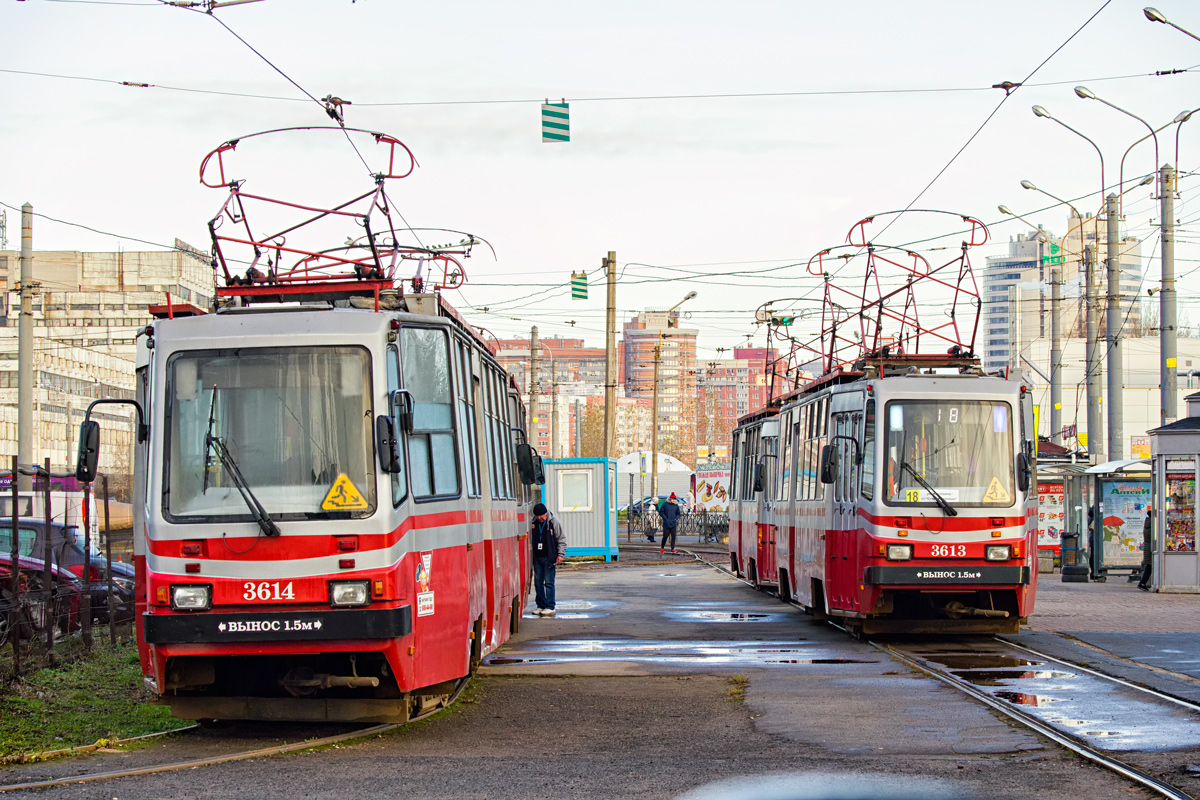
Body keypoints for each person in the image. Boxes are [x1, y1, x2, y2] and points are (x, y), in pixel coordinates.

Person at [530, 502, 566, 616]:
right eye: (537, 516)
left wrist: (560, 554)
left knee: (549, 582)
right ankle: (541, 605)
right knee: (538, 582)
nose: (539, 518)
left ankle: (550, 606)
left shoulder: (554, 522)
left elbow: (561, 539)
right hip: (537, 557)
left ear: (546, 513)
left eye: (541, 516)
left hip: (549, 557)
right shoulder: (533, 522)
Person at [1138, 505, 1153, 591]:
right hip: (1150, 547)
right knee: (1149, 566)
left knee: (1149, 566)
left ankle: (1143, 582)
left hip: (1148, 546)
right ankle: (1142, 583)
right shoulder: (1152, 524)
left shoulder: (1148, 523)